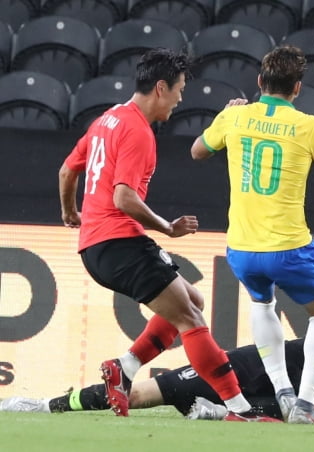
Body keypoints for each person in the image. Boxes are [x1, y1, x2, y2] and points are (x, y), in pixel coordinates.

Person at [58, 48, 276, 422]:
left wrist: (69, 212)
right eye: (178, 90)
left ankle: (124, 367)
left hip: (96, 246)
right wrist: (168, 228)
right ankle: (238, 408)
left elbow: (66, 170)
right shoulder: (137, 131)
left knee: (190, 299)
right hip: (119, 242)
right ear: (160, 87)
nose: (180, 99)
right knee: (191, 317)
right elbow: (123, 197)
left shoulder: (106, 120)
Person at [190, 45, 314, 424]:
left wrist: (227, 115)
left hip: (241, 248)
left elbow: (197, 152)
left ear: (260, 82)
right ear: (297, 89)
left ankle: (282, 390)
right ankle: (306, 405)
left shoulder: (235, 117)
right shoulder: (309, 126)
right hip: (289, 246)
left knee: (262, 304)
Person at [1, 308, 314, 426]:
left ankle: (220, 413)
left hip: (273, 396)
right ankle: (42, 405)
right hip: (245, 369)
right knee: (138, 396)